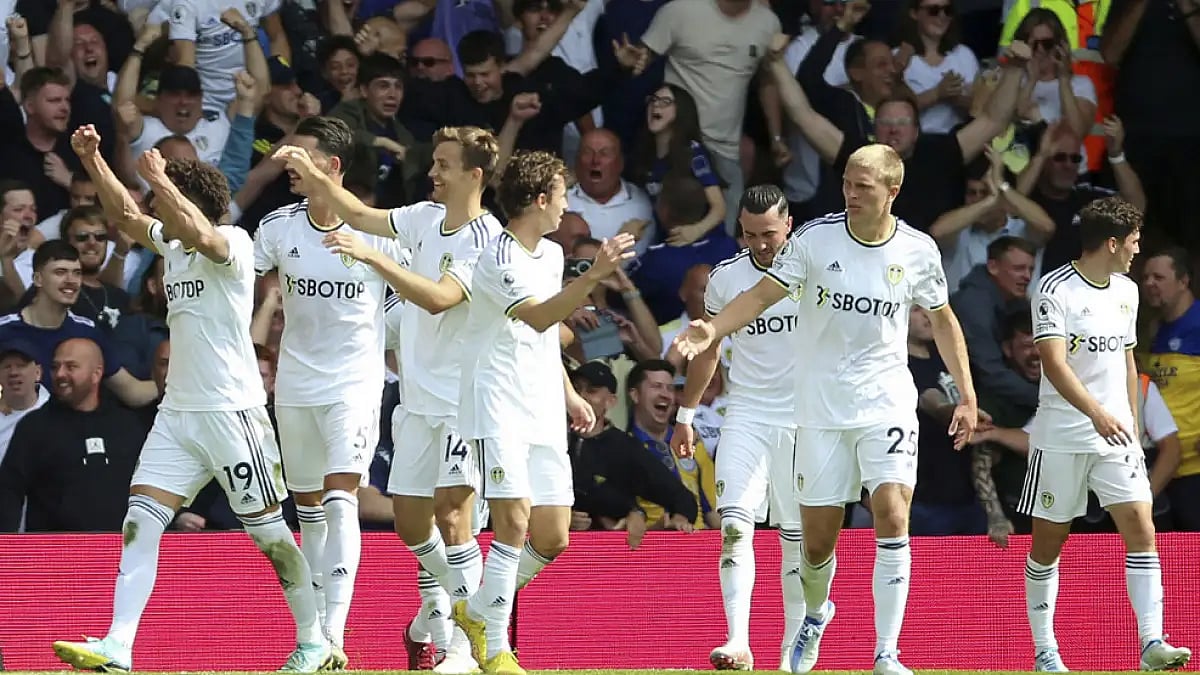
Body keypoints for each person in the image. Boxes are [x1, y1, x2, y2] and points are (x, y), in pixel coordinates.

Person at [674, 144, 978, 675]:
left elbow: (944, 320)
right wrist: (712, 327)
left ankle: (887, 652)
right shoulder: (815, 240)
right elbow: (763, 295)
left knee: (892, 512)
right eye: (847, 182)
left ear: (892, 190)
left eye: (863, 185)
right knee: (816, 545)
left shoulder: (918, 250)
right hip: (816, 411)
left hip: (885, 400)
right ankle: (816, 612)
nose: (851, 192)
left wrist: (968, 395)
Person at [52, 126, 329, 673]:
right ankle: (118, 647)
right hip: (178, 416)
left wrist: (160, 179)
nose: (152, 208)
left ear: (187, 201)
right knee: (140, 519)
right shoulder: (172, 249)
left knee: (269, 534)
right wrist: (94, 159)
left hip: (233, 414)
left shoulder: (234, 245)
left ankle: (314, 640)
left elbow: (203, 233)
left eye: (161, 198)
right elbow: (129, 220)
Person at [277, 125, 503, 673]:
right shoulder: (423, 218)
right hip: (417, 401)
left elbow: (439, 298)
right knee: (410, 524)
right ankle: (433, 613)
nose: (432, 173)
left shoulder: (485, 237)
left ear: (473, 175)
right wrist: (314, 176)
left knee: (454, 517)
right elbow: (358, 214)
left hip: (463, 401)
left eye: (444, 165)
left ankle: (468, 647)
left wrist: (373, 260)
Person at [443, 150, 634, 675]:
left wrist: (569, 392)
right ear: (541, 199)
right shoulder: (497, 259)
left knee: (552, 535)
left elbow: (546, 337)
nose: (567, 206)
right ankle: (495, 645)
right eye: (562, 194)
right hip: (497, 405)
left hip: (542, 404)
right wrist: (595, 272)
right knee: (513, 522)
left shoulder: (550, 256)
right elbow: (540, 316)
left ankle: (479, 609)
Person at [253, 116, 407, 667]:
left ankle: (333, 636)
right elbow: (234, 276)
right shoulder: (277, 228)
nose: (289, 161)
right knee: (309, 510)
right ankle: (313, 635)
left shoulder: (377, 230)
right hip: (294, 384)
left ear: (332, 166)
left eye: (303, 154)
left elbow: (406, 304)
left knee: (343, 498)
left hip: (353, 383)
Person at [1021, 196, 1191, 672]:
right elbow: (1053, 362)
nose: (1138, 251)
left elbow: (1125, 357)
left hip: (1115, 434)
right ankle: (1044, 650)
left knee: (1141, 526)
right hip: (1063, 436)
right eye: (1134, 242)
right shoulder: (1054, 290)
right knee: (1047, 545)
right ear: (1113, 242)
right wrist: (1095, 412)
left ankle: (1151, 643)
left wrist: (1133, 422)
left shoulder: (1126, 291)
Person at [670, 184, 804, 672]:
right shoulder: (726, 278)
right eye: (749, 235)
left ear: (788, 224)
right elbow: (709, 350)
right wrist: (685, 415)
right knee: (732, 527)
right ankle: (738, 641)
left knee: (796, 540)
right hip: (745, 412)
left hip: (803, 419)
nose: (760, 244)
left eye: (768, 233)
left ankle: (792, 655)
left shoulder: (813, 272)